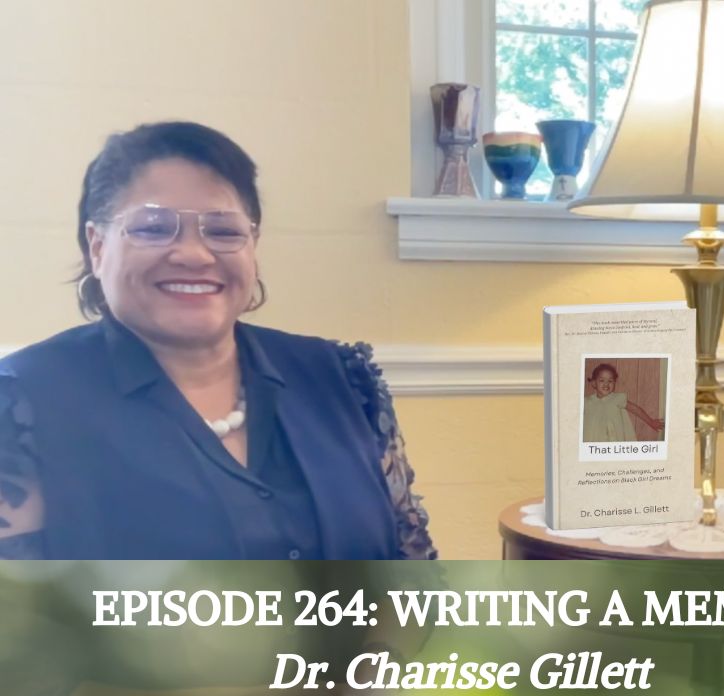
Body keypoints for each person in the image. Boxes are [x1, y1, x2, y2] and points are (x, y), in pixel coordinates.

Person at [0, 121, 437, 559]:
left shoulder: (343, 379)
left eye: (224, 231)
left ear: (253, 246)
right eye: (153, 228)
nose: (193, 254)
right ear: (97, 246)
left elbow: (412, 575)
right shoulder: (23, 403)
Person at [581, 362, 664, 442]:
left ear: (614, 383)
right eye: (602, 380)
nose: (606, 384)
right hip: (593, 442)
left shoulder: (617, 398)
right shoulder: (586, 402)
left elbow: (635, 409)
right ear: (594, 383)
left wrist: (651, 422)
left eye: (610, 381)